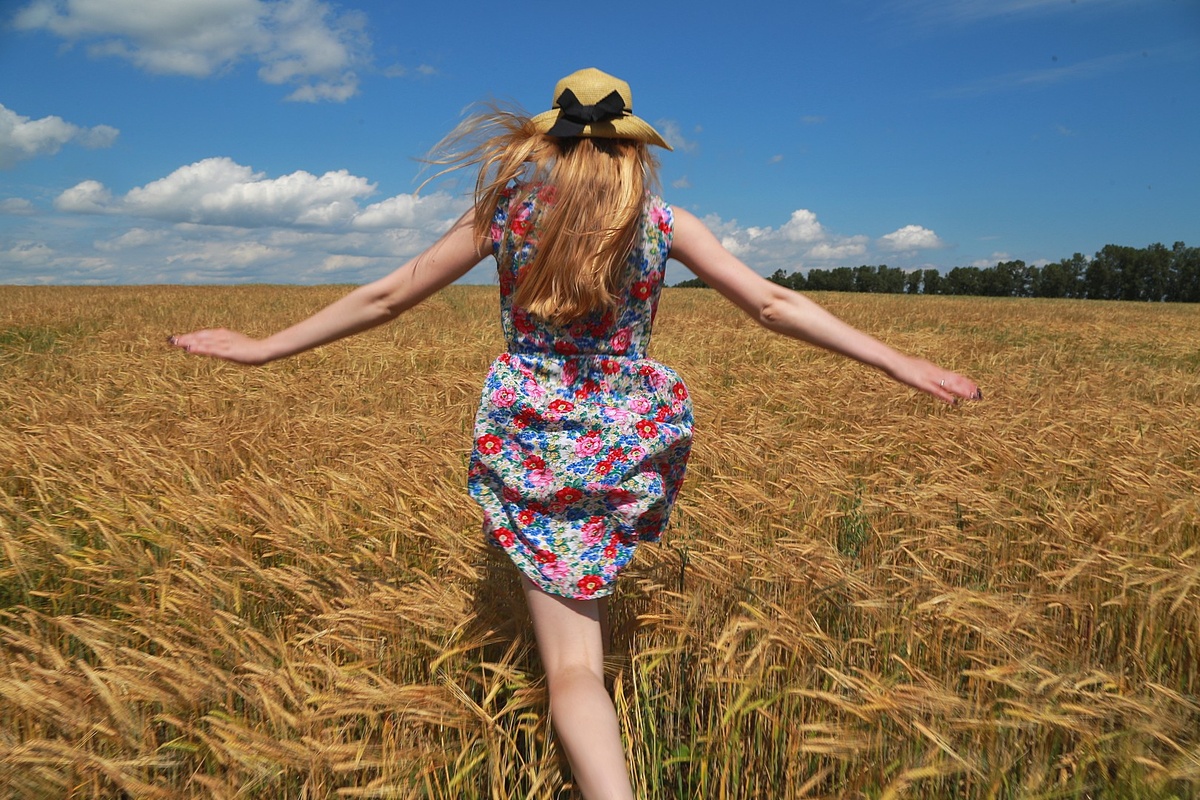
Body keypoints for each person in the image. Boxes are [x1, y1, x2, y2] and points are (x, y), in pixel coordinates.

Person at [170, 67, 982, 800]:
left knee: (569, 668)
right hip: (626, 432)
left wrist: (267, 347)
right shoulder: (662, 222)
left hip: (531, 433)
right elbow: (773, 304)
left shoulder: (507, 215)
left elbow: (388, 297)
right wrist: (897, 362)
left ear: (548, 143)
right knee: (585, 635)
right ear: (631, 149)